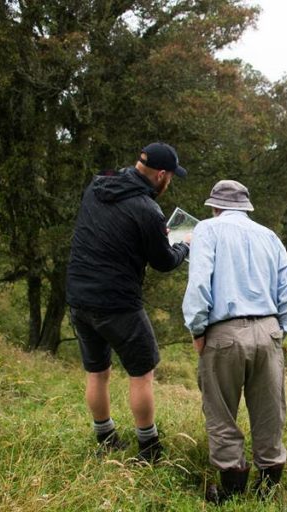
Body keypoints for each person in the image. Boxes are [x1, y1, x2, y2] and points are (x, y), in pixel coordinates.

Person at [66, 142, 191, 462]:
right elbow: (163, 261)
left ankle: (105, 438)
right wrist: (184, 245)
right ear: (161, 175)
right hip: (118, 303)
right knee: (142, 373)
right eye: (170, 177)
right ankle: (149, 448)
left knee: (97, 371)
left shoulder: (98, 185)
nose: (169, 182)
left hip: (79, 297)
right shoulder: (148, 210)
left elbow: (111, 230)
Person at [182, 180, 287, 504]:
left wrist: (197, 330)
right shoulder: (270, 236)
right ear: (246, 207)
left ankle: (231, 490)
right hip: (269, 329)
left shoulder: (207, 230)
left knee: (220, 411)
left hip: (224, 333)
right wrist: (280, 331)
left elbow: (199, 284)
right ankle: (267, 488)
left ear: (215, 207)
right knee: (270, 411)